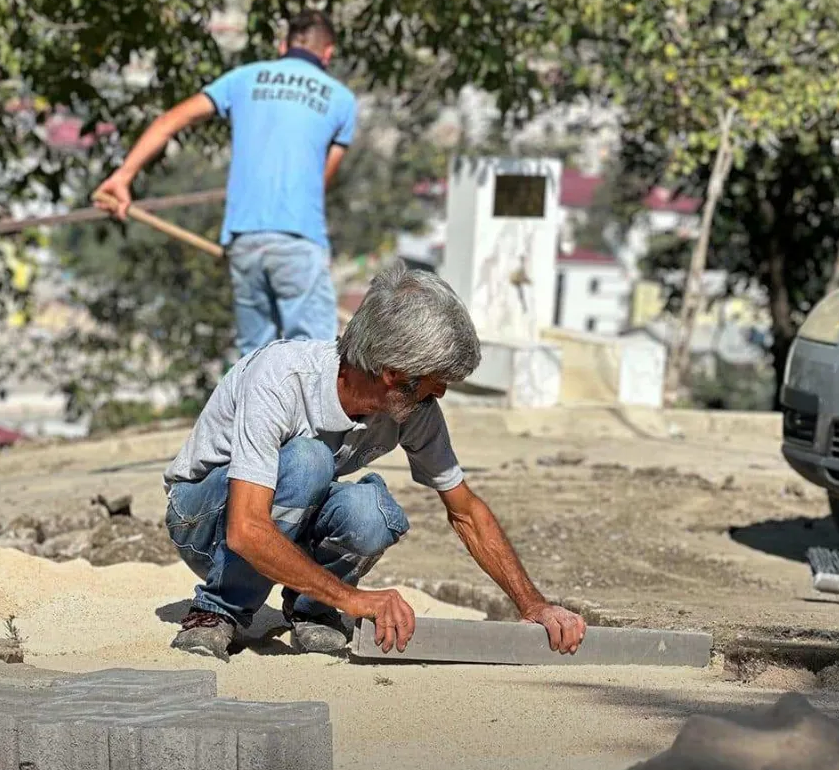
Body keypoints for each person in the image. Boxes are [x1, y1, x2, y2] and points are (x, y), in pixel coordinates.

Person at [162, 261, 587, 660]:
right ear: (393, 373)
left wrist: (533, 604)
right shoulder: (281, 378)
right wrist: (354, 599)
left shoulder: (412, 409)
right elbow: (245, 528)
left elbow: (466, 512)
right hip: (203, 522)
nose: (440, 393)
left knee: (372, 514)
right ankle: (217, 610)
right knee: (309, 460)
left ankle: (312, 610)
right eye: (437, 381)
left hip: (277, 519)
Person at [94, 9, 356, 356]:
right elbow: (321, 180)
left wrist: (123, 176)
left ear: (282, 46)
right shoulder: (341, 99)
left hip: (244, 239)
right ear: (328, 52)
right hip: (297, 239)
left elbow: (168, 122)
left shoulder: (243, 78)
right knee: (316, 360)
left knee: (254, 362)